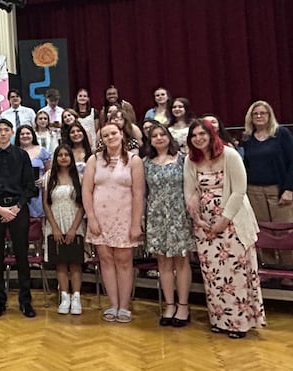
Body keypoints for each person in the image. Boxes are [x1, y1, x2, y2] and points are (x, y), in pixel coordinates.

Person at [184, 119, 265, 338]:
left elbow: (239, 190)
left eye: (202, 134)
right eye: (194, 136)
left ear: (211, 135)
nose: (198, 139)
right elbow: (190, 191)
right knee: (214, 277)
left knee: (236, 275)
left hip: (232, 222)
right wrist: (197, 217)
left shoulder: (229, 155)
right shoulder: (191, 159)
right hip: (206, 226)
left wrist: (224, 220)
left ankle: (240, 324)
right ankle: (220, 320)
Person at [82, 123, 144, 323]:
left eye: (113, 133)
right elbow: (87, 191)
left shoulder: (134, 161)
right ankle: (113, 304)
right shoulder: (94, 160)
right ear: (101, 139)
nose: (110, 137)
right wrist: (91, 217)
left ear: (121, 135)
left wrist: (136, 223)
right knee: (106, 261)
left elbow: (138, 193)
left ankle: (124, 307)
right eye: (106, 135)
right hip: (100, 217)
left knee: (124, 262)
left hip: (125, 217)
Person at [0, 119, 38, 318]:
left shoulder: (21, 155)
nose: (3, 133)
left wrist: (16, 208)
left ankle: (26, 302)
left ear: (12, 133)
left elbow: (30, 186)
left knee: (22, 256)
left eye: (6, 130)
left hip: (17, 208)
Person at [143, 122, 195, 327]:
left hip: (179, 215)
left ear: (169, 137)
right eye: (154, 135)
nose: (158, 138)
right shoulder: (146, 162)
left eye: (162, 134)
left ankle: (183, 305)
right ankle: (169, 304)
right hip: (156, 216)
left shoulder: (183, 160)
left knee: (181, 261)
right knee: (163, 262)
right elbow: (142, 192)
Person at [242, 100, 293, 275]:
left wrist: (288, 189)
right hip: (254, 191)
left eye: (263, 113)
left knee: (286, 232)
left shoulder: (281, 134)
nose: (259, 116)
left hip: (280, 190)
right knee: (263, 231)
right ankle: (268, 268)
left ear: (269, 116)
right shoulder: (247, 138)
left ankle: (290, 271)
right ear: (250, 118)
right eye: (255, 114)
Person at [42, 144, 85, 315]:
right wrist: (54, 228)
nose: (64, 158)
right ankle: (64, 296)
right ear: (56, 158)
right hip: (55, 223)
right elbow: (45, 204)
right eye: (60, 155)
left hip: (75, 221)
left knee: (74, 263)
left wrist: (74, 228)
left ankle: (76, 297)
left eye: (67, 154)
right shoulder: (48, 178)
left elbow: (83, 204)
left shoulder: (79, 178)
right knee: (60, 262)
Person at [16, 125, 51, 218]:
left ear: (33, 135)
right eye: (22, 134)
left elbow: (50, 170)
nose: (25, 136)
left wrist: (44, 178)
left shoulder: (42, 151)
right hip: (20, 192)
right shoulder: (14, 152)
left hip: (39, 192)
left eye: (28, 133)